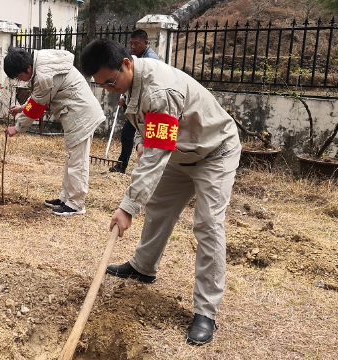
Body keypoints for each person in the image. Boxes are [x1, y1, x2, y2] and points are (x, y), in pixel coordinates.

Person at [81, 39, 241, 345]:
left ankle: (206, 312)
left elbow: (155, 157)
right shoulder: (130, 84)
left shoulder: (159, 91)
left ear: (127, 63)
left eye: (111, 82)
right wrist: (142, 141)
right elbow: (151, 136)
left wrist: (127, 208)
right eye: (102, 85)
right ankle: (143, 267)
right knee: (158, 206)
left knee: (208, 224)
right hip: (179, 152)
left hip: (214, 152)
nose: (109, 89)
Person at [4, 48, 104, 216]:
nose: (20, 80)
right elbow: (39, 95)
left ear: (28, 68)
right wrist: (22, 108)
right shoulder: (41, 64)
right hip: (77, 112)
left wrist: (17, 127)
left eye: (19, 76)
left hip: (81, 115)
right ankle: (66, 198)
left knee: (78, 161)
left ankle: (76, 203)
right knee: (73, 158)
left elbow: (37, 105)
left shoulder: (43, 74)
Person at [110, 29, 159, 174]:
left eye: (136, 44)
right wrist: (124, 97)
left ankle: (132, 166)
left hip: (147, 107)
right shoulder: (134, 59)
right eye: (131, 44)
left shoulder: (151, 60)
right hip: (136, 103)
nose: (132, 47)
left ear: (146, 43)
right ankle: (124, 165)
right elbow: (132, 81)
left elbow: (147, 85)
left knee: (132, 134)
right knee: (129, 135)